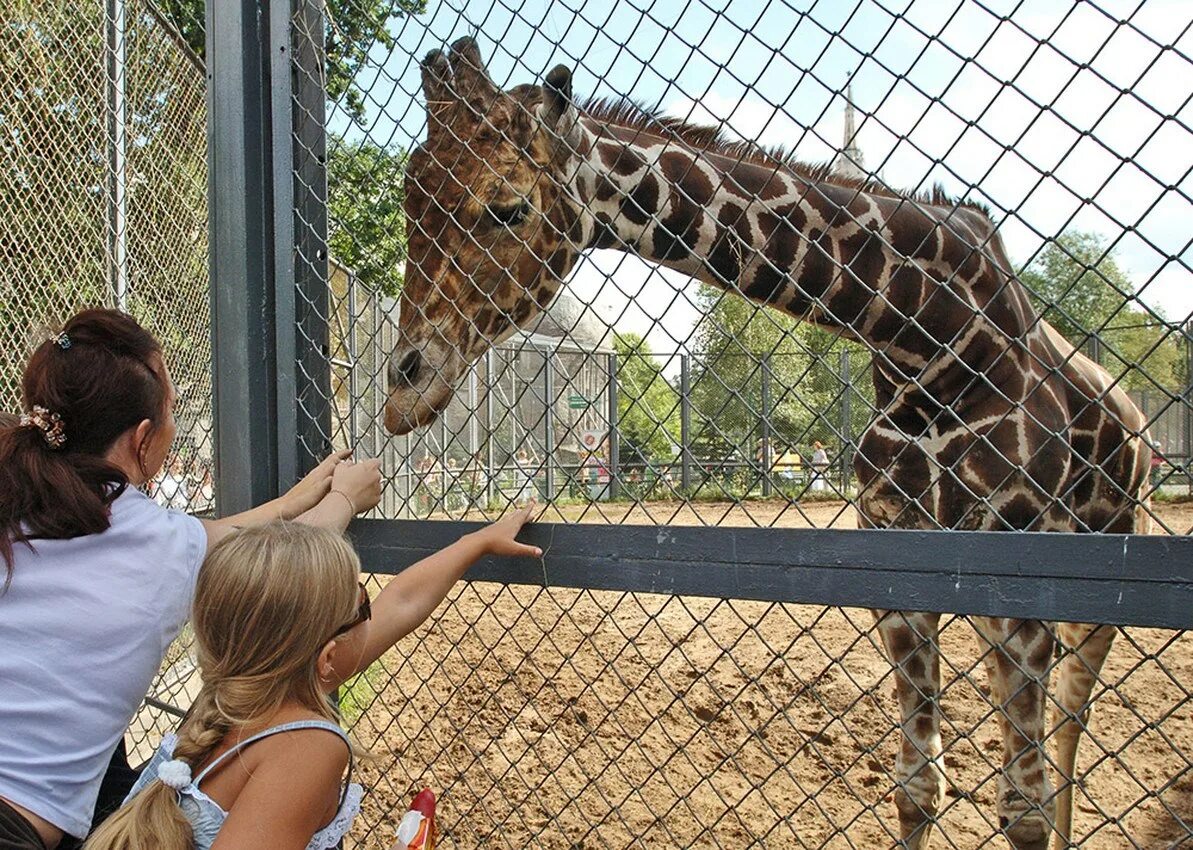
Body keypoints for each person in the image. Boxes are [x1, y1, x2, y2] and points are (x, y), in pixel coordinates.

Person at [0, 309, 383, 850]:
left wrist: (296, 497)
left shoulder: (20, 501)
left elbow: (219, 532)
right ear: (142, 440)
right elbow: (289, 567)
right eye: (172, 411)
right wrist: (345, 497)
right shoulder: (162, 544)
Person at [86, 515, 539, 850]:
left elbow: (402, 600)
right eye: (362, 603)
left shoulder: (223, 703)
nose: (373, 609)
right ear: (327, 655)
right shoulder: (308, 746)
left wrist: (474, 542)